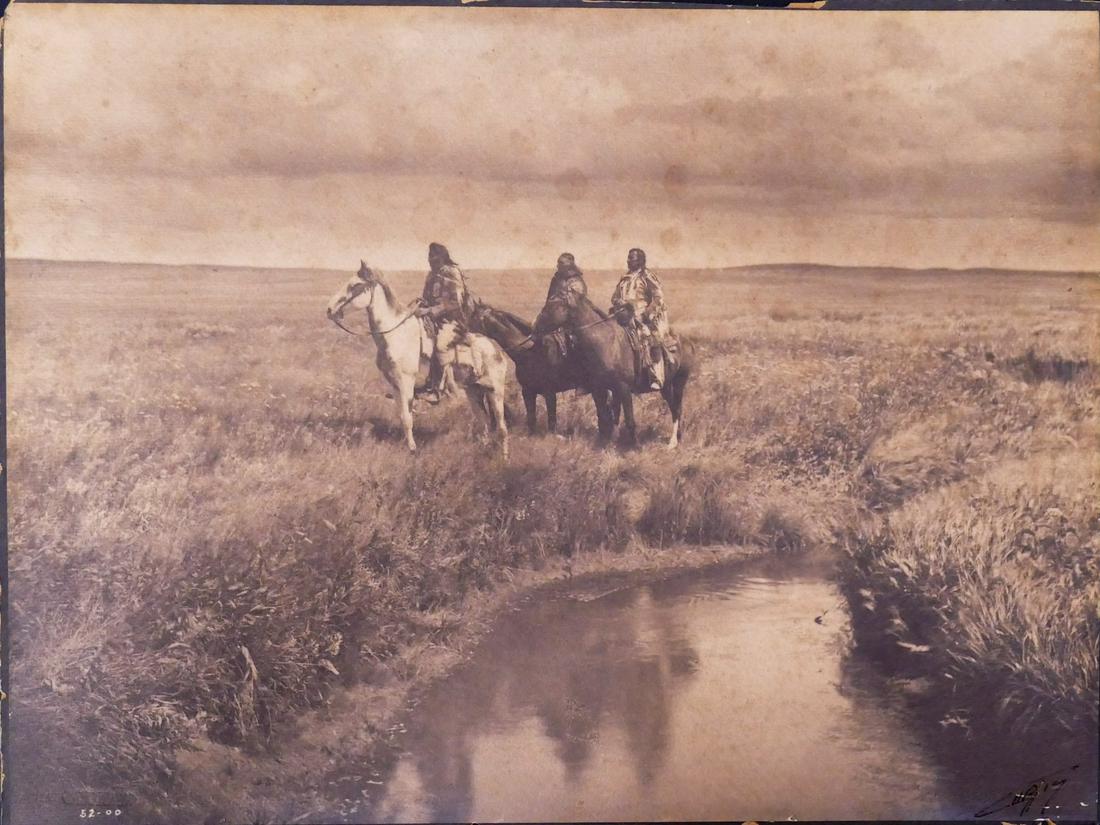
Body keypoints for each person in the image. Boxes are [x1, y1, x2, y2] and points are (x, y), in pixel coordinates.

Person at [413, 242, 477, 403]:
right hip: (433, 320)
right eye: (429, 256)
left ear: (442, 257)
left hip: (454, 320)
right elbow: (427, 298)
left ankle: (436, 390)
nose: (430, 260)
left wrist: (430, 311)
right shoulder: (431, 275)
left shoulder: (451, 273)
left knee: (440, 345)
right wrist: (420, 305)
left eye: (434, 257)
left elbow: (455, 302)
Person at [610, 247, 669, 390]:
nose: (628, 261)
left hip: (644, 316)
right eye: (628, 258)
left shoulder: (647, 276)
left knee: (648, 337)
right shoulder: (625, 278)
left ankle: (656, 376)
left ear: (641, 261)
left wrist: (646, 313)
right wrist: (619, 303)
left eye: (632, 258)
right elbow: (615, 297)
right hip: (624, 315)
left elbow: (658, 298)